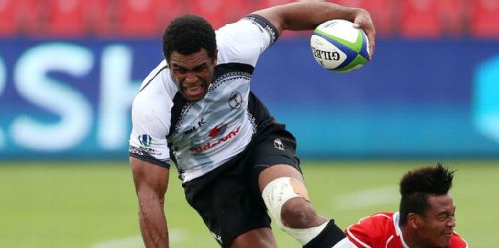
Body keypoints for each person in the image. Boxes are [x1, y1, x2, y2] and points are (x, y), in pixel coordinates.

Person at [128, 1, 376, 247]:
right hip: (209, 178)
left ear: (215, 57)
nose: (190, 79)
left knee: (296, 211)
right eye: (180, 70)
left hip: (257, 140)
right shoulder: (151, 105)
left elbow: (285, 15)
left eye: (200, 68)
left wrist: (352, 13)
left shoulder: (238, 42)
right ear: (168, 62)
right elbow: (150, 197)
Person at [339, 164, 468, 248]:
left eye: (452, 215)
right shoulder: (371, 235)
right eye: (443, 216)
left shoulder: (455, 245)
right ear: (414, 221)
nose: (452, 223)